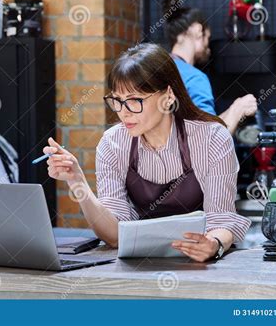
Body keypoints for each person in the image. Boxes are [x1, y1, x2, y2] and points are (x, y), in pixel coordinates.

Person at [44, 43, 251, 263]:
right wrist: (78, 183)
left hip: (200, 264)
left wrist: (214, 245)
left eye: (134, 101)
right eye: (117, 101)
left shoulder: (212, 138)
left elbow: (222, 221)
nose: (124, 113)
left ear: (168, 96)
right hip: (139, 265)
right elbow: (114, 235)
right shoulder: (113, 144)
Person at [162, 0, 258, 134]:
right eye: (208, 37)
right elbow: (207, 139)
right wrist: (239, 109)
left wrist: (232, 110)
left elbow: (203, 127)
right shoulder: (194, 78)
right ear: (198, 31)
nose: (208, 46)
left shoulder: (158, 69)